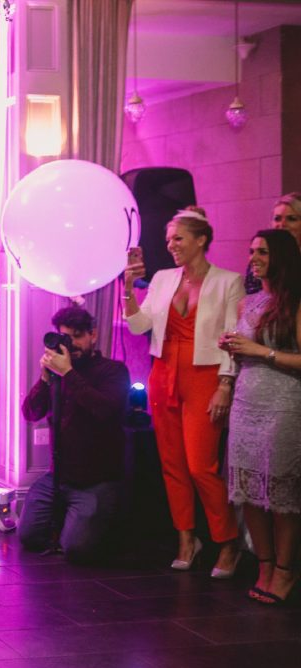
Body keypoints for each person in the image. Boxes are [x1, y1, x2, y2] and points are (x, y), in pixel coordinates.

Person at [124, 206, 243, 577]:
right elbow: (139, 325)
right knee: (172, 465)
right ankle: (186, 539)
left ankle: (228, 542)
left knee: (201, 466)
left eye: (178, 238)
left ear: (201, 239)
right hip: (163, 373)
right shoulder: (162, 278)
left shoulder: (228, 281)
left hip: (204, 375)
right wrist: (127, 288)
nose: (171, 245)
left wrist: (225, 383)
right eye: (168, 240)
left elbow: (232, 338)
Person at [220, 230, 301, 605]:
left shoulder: (295, 303)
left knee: (281, 491)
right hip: (247, 401)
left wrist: (259, 350)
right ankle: (264, 565)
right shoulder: (248, 303)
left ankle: (285, 571)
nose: (254, 257)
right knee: (249, 491)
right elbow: (245, 351)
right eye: (251, 250)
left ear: (281, 257)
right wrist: (234, 349)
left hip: (284, 401)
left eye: (263, 251)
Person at [18, 306, 129, 563]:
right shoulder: (57, 373)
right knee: (28, 537)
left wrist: (68, 372)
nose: (72, 344)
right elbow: (31, 413)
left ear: (93, 335)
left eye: (78, 336)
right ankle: (67, 519)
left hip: (96, 480)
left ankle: (87, 521)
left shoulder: (112, 371)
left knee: (76, 549)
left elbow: (103, 409)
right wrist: (45, 379)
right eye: (66, 337)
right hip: (58, 477)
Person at [244, 192, 301, 293]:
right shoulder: (259, 258)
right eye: (277, 219)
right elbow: (251, 294)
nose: (282, 224)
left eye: (291, 219)